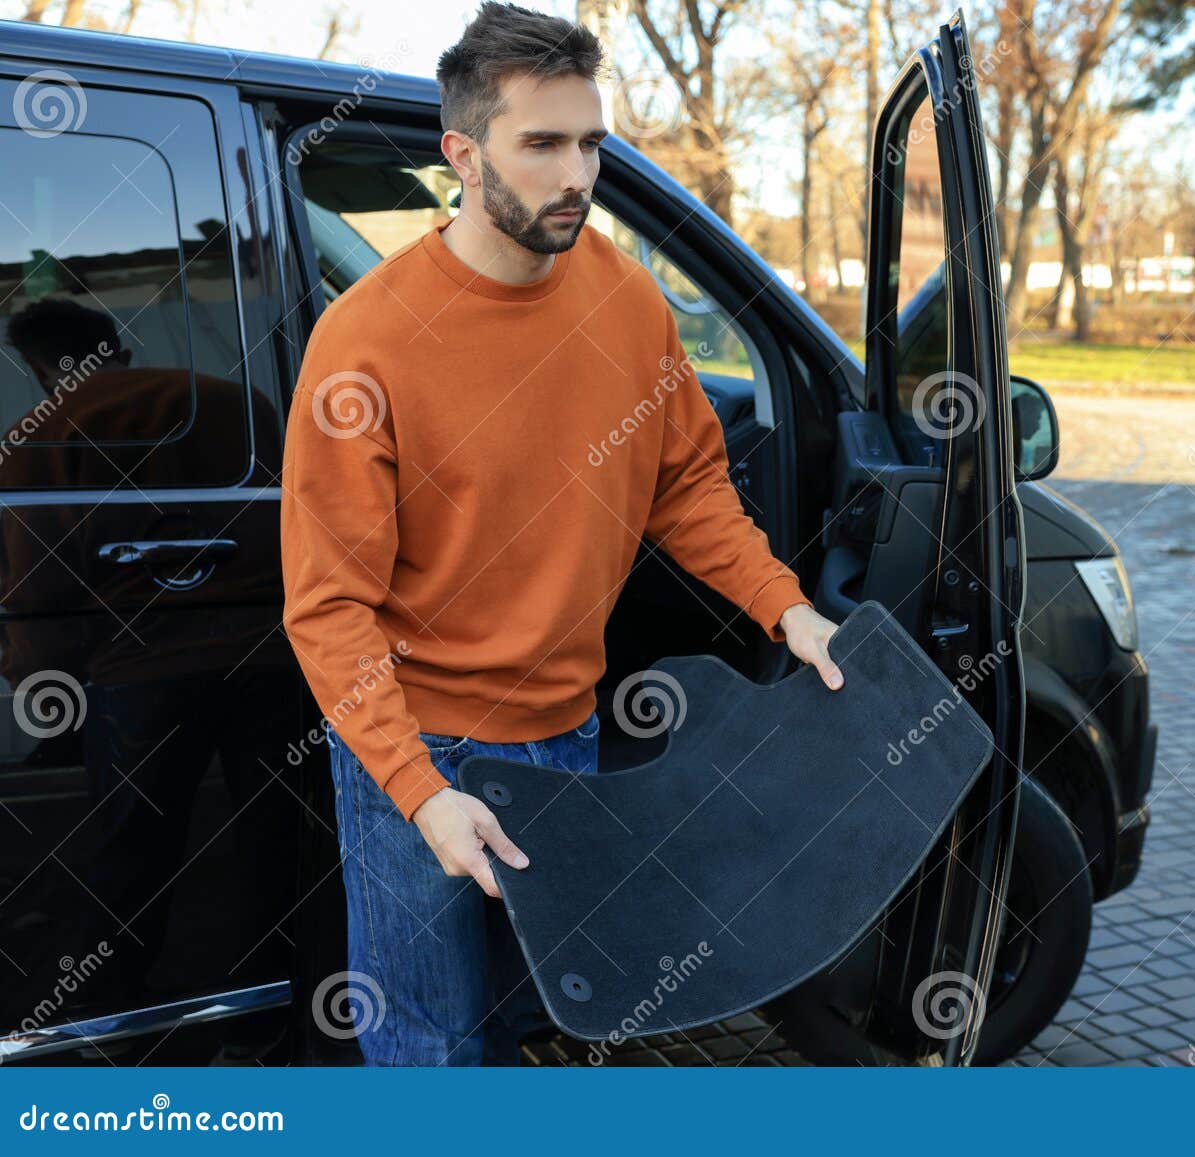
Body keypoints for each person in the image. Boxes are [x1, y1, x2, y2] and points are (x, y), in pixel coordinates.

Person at [279, 1, 841, 1065]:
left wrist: (788, 608)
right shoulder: (368, 342)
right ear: (463, 153)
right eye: (540, 143)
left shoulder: (627, 302)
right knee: (430, 1042)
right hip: (420, 741)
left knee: (551, 1020)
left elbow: (689, 490)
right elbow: (329, 606)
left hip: (567, 729)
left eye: (589, 141)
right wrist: (419, 791)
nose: (575, 172)